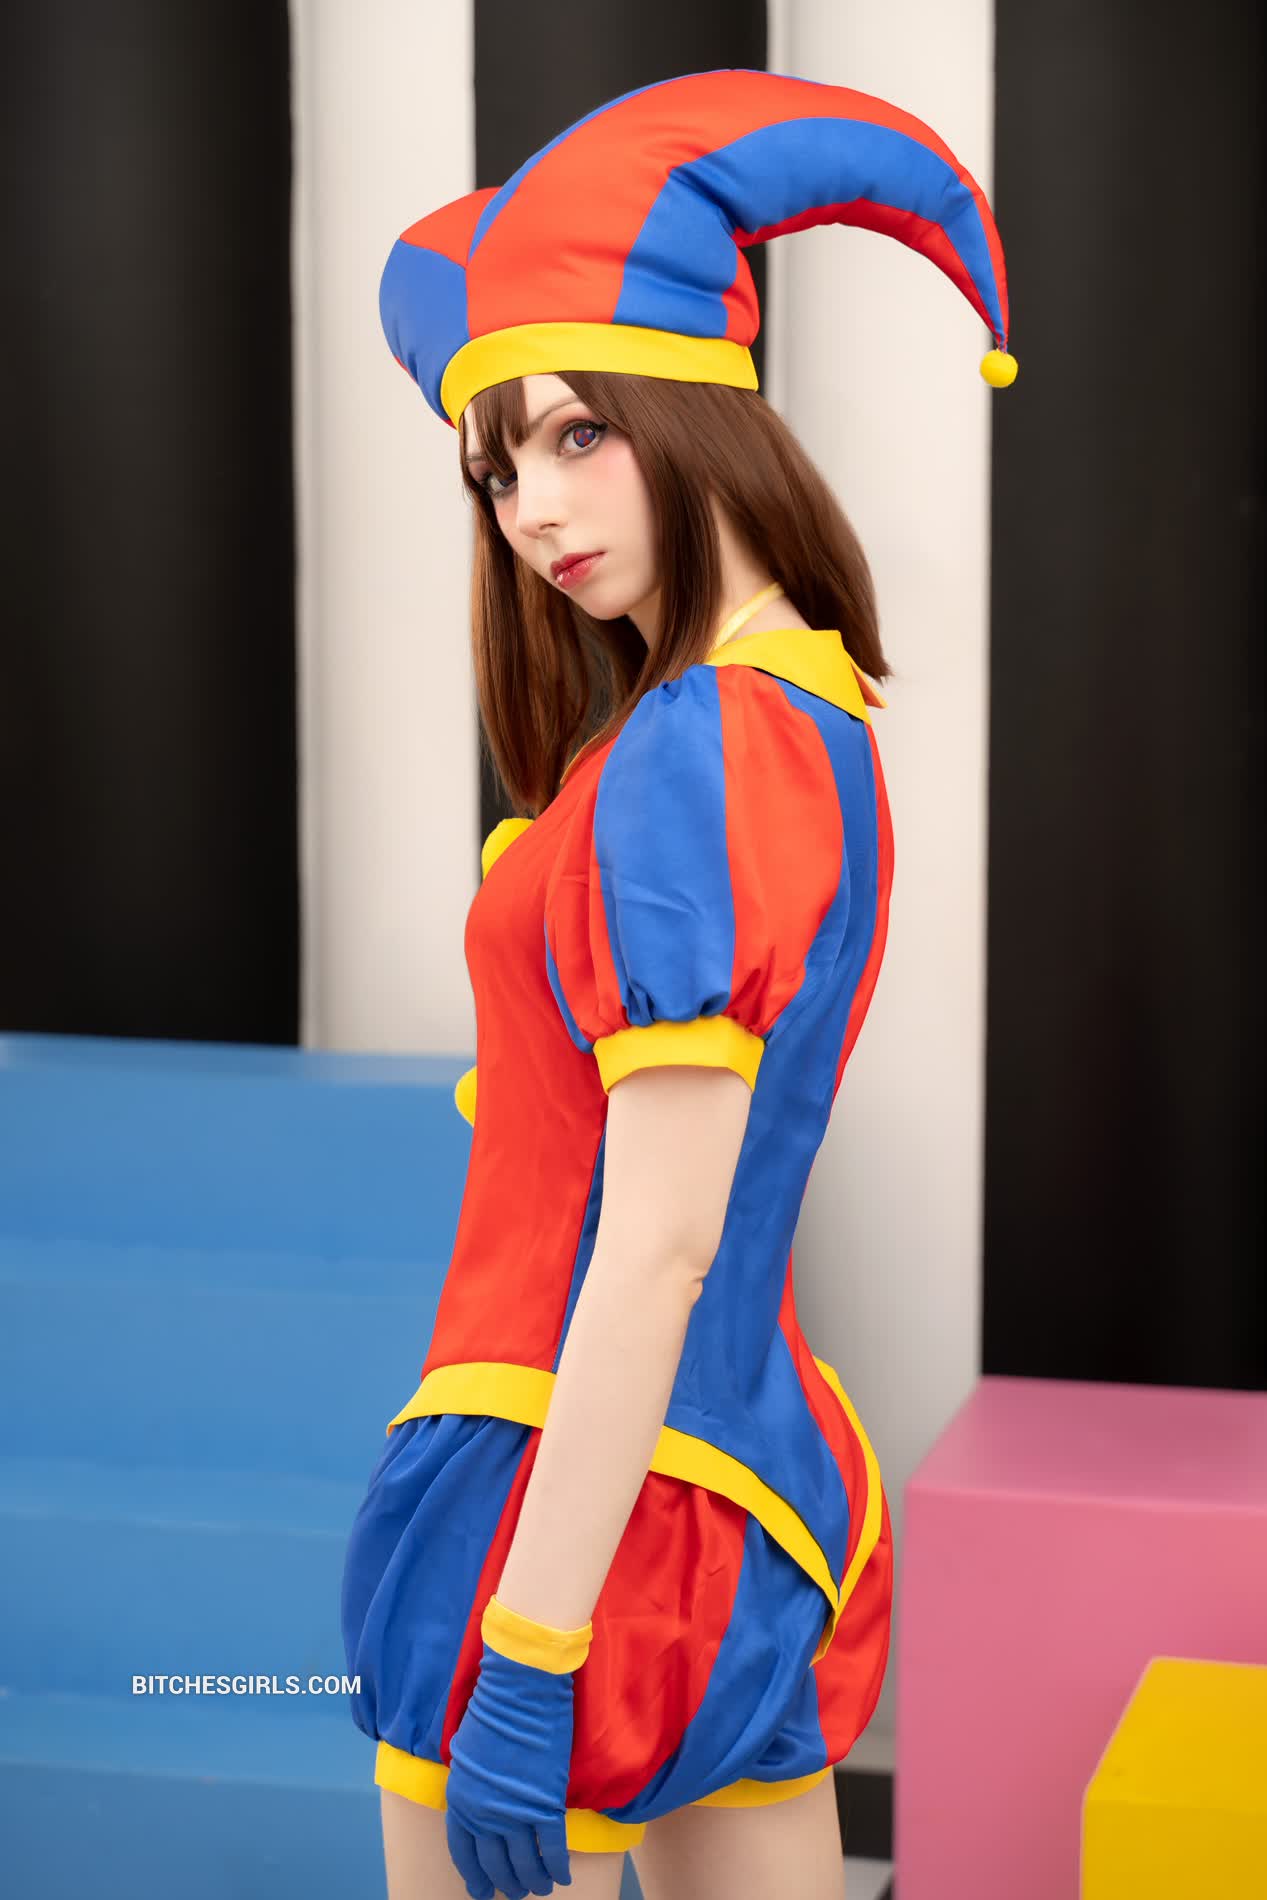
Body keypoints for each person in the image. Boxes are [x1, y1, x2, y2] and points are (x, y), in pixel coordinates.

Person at [340, 68, 1015, 1900]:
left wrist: (530, 1647)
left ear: (693, 413)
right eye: (497, 470)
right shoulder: (801, 716)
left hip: (558, 1497)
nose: (531, 510)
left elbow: (656, 1243)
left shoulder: (699, 747)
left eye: (578, 436)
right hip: (733, 1482)